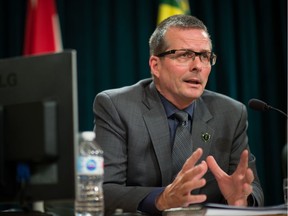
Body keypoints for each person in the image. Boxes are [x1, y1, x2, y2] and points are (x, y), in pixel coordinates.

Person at [93, 14, 264, 215]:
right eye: (184, 55)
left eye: (205, 56)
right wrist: (162, 198)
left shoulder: (231, 113)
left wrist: (240, 200)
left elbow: (254, 190)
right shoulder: (117, 106)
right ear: (155, 65)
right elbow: (102, 190)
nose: (197, 66)